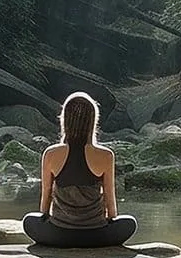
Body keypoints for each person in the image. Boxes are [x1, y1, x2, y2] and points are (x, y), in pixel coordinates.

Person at [22, 92, 137, 248]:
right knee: (130, 223)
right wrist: (110, 223)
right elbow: (111, 205)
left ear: (65, 120)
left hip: (59, 235)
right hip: (96, 235)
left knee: (29, 220)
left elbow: (45, 203)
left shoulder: (51, 153)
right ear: (93, 121)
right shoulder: (106, 155)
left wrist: (45, 221)